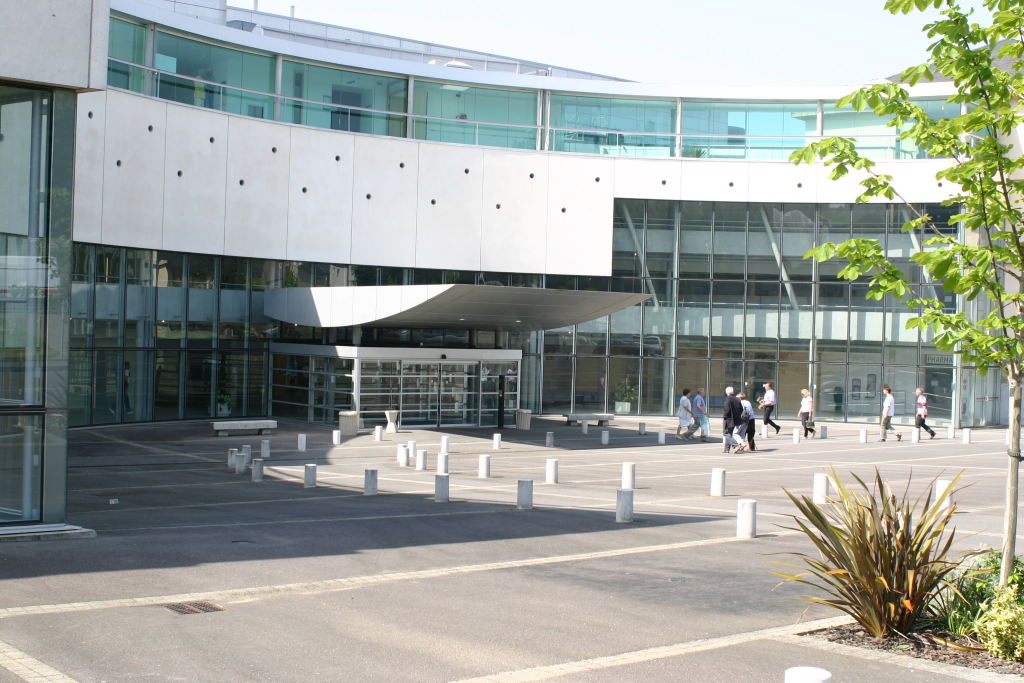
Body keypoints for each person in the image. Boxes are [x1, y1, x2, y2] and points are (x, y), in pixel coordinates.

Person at [723, 386, 746, 453]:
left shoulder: (728, 399)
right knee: (729, 434)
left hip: (729, 419)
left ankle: (736, 445)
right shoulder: (737, 399)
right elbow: (741, 409)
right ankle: (726, 449)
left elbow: (726, 410)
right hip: (736, 420)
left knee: (726, 434)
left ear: (727, 392)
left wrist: (725, 416)